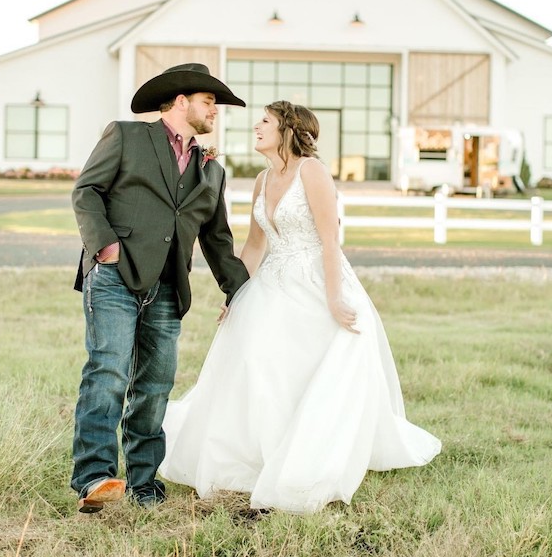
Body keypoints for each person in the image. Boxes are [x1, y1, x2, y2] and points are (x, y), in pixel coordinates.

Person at [159, 100, 441, 514]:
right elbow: (255, 245)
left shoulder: (312, 171)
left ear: (287, 130)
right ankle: (261, 451)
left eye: (266, 121)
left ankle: (308, 454)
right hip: (272, 282)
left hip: (315, 280)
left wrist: (333, 298)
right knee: (257, 362)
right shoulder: (261, 178)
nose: (256, 126)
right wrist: (234, 294)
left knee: (310, 366)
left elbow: (330, 240)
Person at [70, 63, 250, 512]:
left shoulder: (213, 171)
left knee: (154, 387)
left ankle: (144, 484)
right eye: (210, 101)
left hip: (170, 287)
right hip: (114, 275)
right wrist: (105, 247)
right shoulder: (127, 137)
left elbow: (217, 238)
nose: (216, 111)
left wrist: (242, 291)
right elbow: (86, 190)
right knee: (108, 372)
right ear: (181, 101)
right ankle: (94, 478)